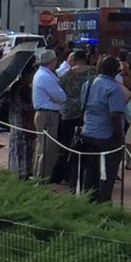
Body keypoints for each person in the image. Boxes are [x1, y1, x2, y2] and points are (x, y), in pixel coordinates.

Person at [78, 56, 127, 203]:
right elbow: (115, 115)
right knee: (108, 172)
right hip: (106, 135)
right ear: (115, 71)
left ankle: (88, 199)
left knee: (90, 169)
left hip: (88, 131)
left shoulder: (88, 84)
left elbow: (83, 105)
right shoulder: (114, 88)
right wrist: (120, 135)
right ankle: (104, 201)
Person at [53, 49, 94, 186]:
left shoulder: (67, 75)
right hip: (86, 112)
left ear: (74, 60)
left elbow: (60, 90)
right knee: (85, 145)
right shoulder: (93, 73)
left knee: (67, 143)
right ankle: (84, 174)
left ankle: (68, 173)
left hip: (68, 112)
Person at [32, 48, 67, 181]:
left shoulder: (41, 74)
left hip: (44, 112)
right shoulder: (46, 77)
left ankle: (39, 176)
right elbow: (61, 97)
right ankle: (43, 178)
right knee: (47, 148)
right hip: (48, 114)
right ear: (52, 61)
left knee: (42, 146)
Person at [7, 61, 37, 180]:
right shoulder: (22, 88)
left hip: (16, 121)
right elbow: (23, 106)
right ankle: (21, 171)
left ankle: (18, 170)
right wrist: (32, 106)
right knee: (22, 147)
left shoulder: (17, 86)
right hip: (21, 122)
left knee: (18, 147)